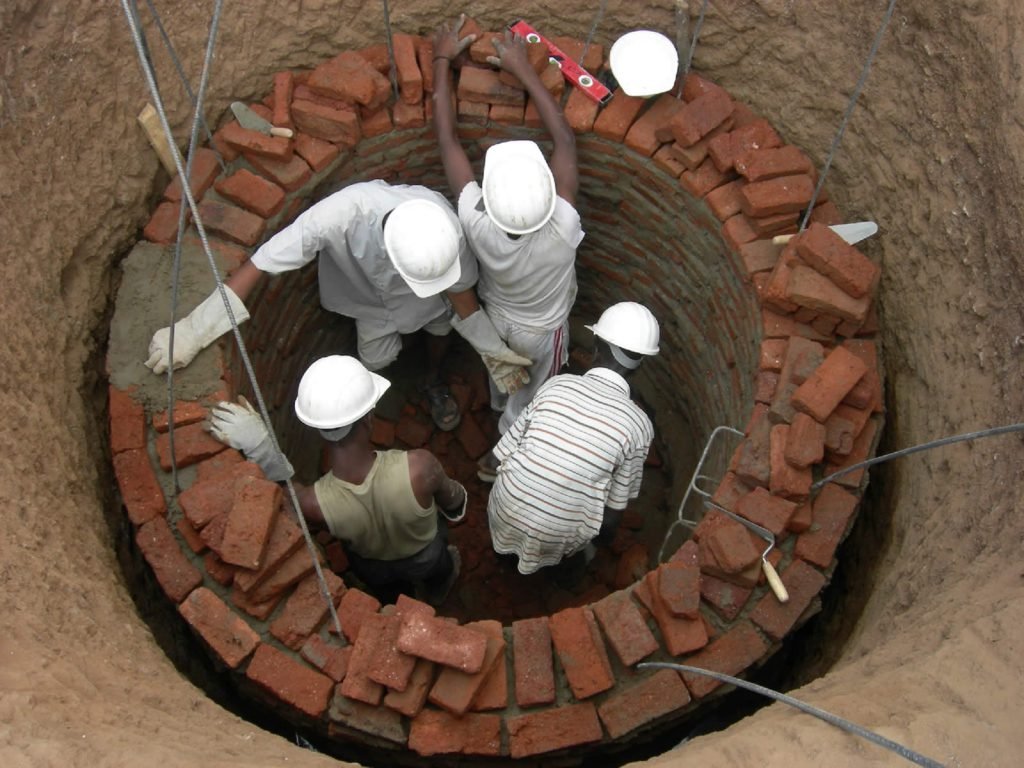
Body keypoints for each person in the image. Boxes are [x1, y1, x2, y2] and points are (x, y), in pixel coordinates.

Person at [146, 180, 531, 431]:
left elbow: (461, 297)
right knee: (375, 359)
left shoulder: (444, 233)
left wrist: (492, 350)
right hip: (370, 303)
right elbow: (261, 263)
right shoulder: (339, 217)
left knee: (440, 329)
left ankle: (433, 380)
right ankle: (370, 402)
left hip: (430, 302)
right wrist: (196, 328)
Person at [432, 17, 584, 474]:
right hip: (544, 331)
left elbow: (447, 141)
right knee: (535, 394)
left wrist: (441, 60)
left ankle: (500, 407)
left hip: (496, 319)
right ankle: (502, 456)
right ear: (547, 196)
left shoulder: (476, 220)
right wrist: (524, 69)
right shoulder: (562, 228)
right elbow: (565, 140)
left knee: (503, 370)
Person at [209, 355, 468, 606]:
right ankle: (438, 590)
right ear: (369, 417)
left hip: (372, 565)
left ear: (318, 427)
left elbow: (286, 499)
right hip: (425, 555)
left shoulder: (313, 503)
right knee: (438, 570)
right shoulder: (419, 468)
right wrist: (453, 507)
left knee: (385, 590)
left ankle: (393, 604)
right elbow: (454, 502)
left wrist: (264, 452)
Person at [486, 302, 660, 579]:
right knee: (563, 554)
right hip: (559, 534)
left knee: (507, 537)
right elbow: (611, 518)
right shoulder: (639, 425)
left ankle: (503, 561)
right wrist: (597, 545)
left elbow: (496, 458)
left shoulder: (557, 385)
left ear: (596, 345)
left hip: (505, 506)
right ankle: (559, 575)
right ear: (640, 364)